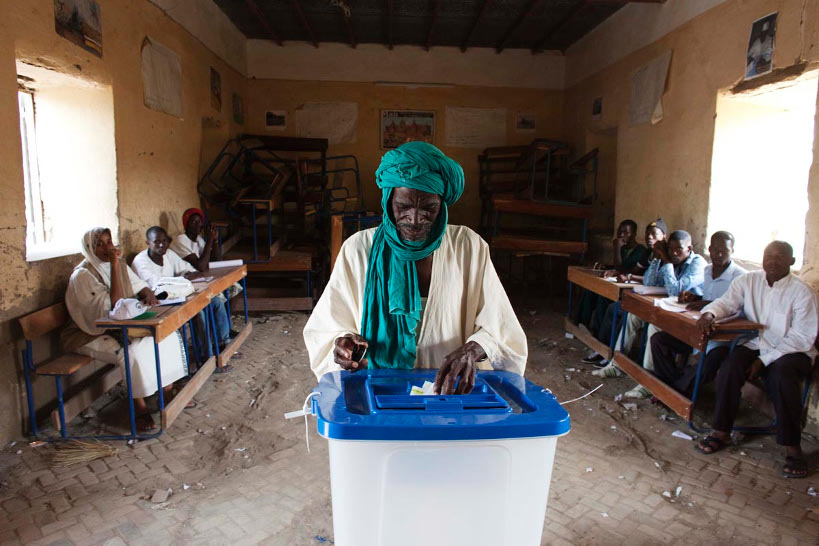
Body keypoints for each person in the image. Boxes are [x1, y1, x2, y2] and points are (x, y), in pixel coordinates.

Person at [303, 142, 527, 394]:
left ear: (441, 205)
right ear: (389, 202)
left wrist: (473, 348)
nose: (416, 219)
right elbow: (327, 327)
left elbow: (502, 328)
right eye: (404, 206)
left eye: (429, 208)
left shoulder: (468, 246)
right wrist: (343, 344)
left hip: (449, 390)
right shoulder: (358, 249)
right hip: (377, 389)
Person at [694, 241, 817, 479]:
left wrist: (765, 361)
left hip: (793, 351)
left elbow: (802, 337)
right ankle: (721, 431)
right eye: (768, 255)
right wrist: (709, 313)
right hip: (755, 343)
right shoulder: (748, 281)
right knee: (729, 368)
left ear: (792, 262)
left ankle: (792, 447)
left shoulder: (802, 292)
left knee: (781, 376)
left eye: (780, 257)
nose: (773, 260)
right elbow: (727, 303)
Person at [62, 228, 189, 432]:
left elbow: (140, 285)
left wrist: (148, 294)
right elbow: (115, 305)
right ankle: (139, 407)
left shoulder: (119, 265)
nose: (107, 248)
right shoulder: (83, 275)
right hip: (90, 333)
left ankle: (166, 391)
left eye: (109, 242)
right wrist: (114, 264)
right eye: (99, 244)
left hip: (121, 324)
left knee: (166, 335)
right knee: (132, 352)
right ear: (88, 248)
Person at [593, 229, 706, 399]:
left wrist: (667, 261)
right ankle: (617, 364)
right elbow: (648, 281)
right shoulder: (669, 258)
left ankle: (648, 381)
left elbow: (676, 290)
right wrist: (657, 259)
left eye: (679, 250)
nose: (674, 253)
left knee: (655, 325)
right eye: (671, 249)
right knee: (633, 315)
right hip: (670, 310)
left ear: (689, 249)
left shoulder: (698, 264)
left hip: (689, 320)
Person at [650, 231, 747, 395]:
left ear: (733, 251)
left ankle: (677, 391)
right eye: (715, 249)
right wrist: (696, 297)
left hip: (721, 337)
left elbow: (739, 309)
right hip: (699, 330)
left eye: (724, 250)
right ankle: (672, 386)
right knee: (659, 340)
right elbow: (711, 297)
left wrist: (709, 304)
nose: (719, 254)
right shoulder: (708, 271)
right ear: (709, 249)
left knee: (711, 361)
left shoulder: (741, 277)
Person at [133, 226, 232, 363]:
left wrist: (186, 275)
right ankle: (207, 357)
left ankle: (224, 344)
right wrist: (182, 280)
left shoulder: (168, 254)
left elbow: (187, 269)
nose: (161, 244)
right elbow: (156, 285)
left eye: (164, 241)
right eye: (156, 242)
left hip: (175, 295)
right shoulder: (141, 261)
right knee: (198, 311)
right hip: (155, 304)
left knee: (215, 301)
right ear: (148, 243)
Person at [582, 220, 655, 365]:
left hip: (641, 296)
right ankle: (596, 341)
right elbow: (627, 269)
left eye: (626, 232)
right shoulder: (648, 253)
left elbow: (626, 269)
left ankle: (608, 349)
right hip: (636, 292)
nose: (650, 238)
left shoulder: (643, 252)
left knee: (613, 308)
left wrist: (617, 251)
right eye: (648, 235)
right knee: (600, 295)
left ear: (634, 234)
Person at [170, 208, 218, 272]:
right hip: (183, 278)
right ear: (186, 225)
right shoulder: (180, 240)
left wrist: (215, 240)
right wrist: (210, 239)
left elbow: (214, 261)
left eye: (200, 221)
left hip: (195, 276)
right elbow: (201, 267)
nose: (198, 225)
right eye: (193, 222)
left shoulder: (198, 239)